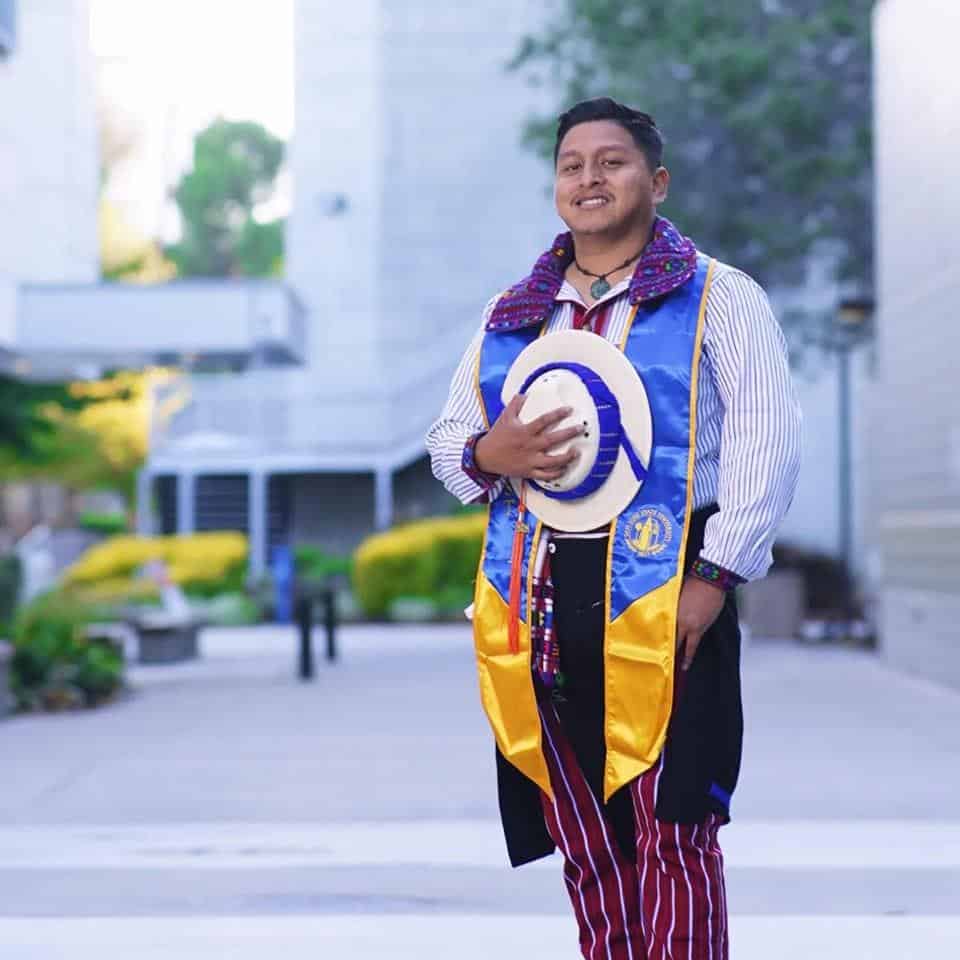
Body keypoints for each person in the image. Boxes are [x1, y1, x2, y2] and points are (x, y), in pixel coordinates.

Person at [426, 97, 802, 960]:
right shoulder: (515, 312)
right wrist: (497, 448)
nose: (589, 179)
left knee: (673, 827)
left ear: (657, 182)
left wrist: (715, 579)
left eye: (612, 162)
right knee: (586, 836)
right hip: (540, 593)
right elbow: (450, 451)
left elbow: (765, 445)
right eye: (572, 165)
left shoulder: (719, 296)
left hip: (666, 583)